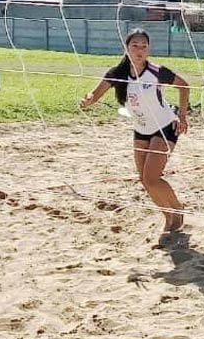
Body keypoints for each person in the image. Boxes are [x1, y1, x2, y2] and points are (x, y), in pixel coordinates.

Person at [80, 29, 190, 233]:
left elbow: (184, 86)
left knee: (152, 177)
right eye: (135, 46)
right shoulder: (116, 74)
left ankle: (177, 209)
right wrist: (88, 100)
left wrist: (182, 116)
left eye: (144, 46)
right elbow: (95, 94)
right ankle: (168, 215)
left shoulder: (157, 71)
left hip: (165, 126)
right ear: (127, 48)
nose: (139, 50)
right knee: (145, 181)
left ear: (149, 50)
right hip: (141, 130)